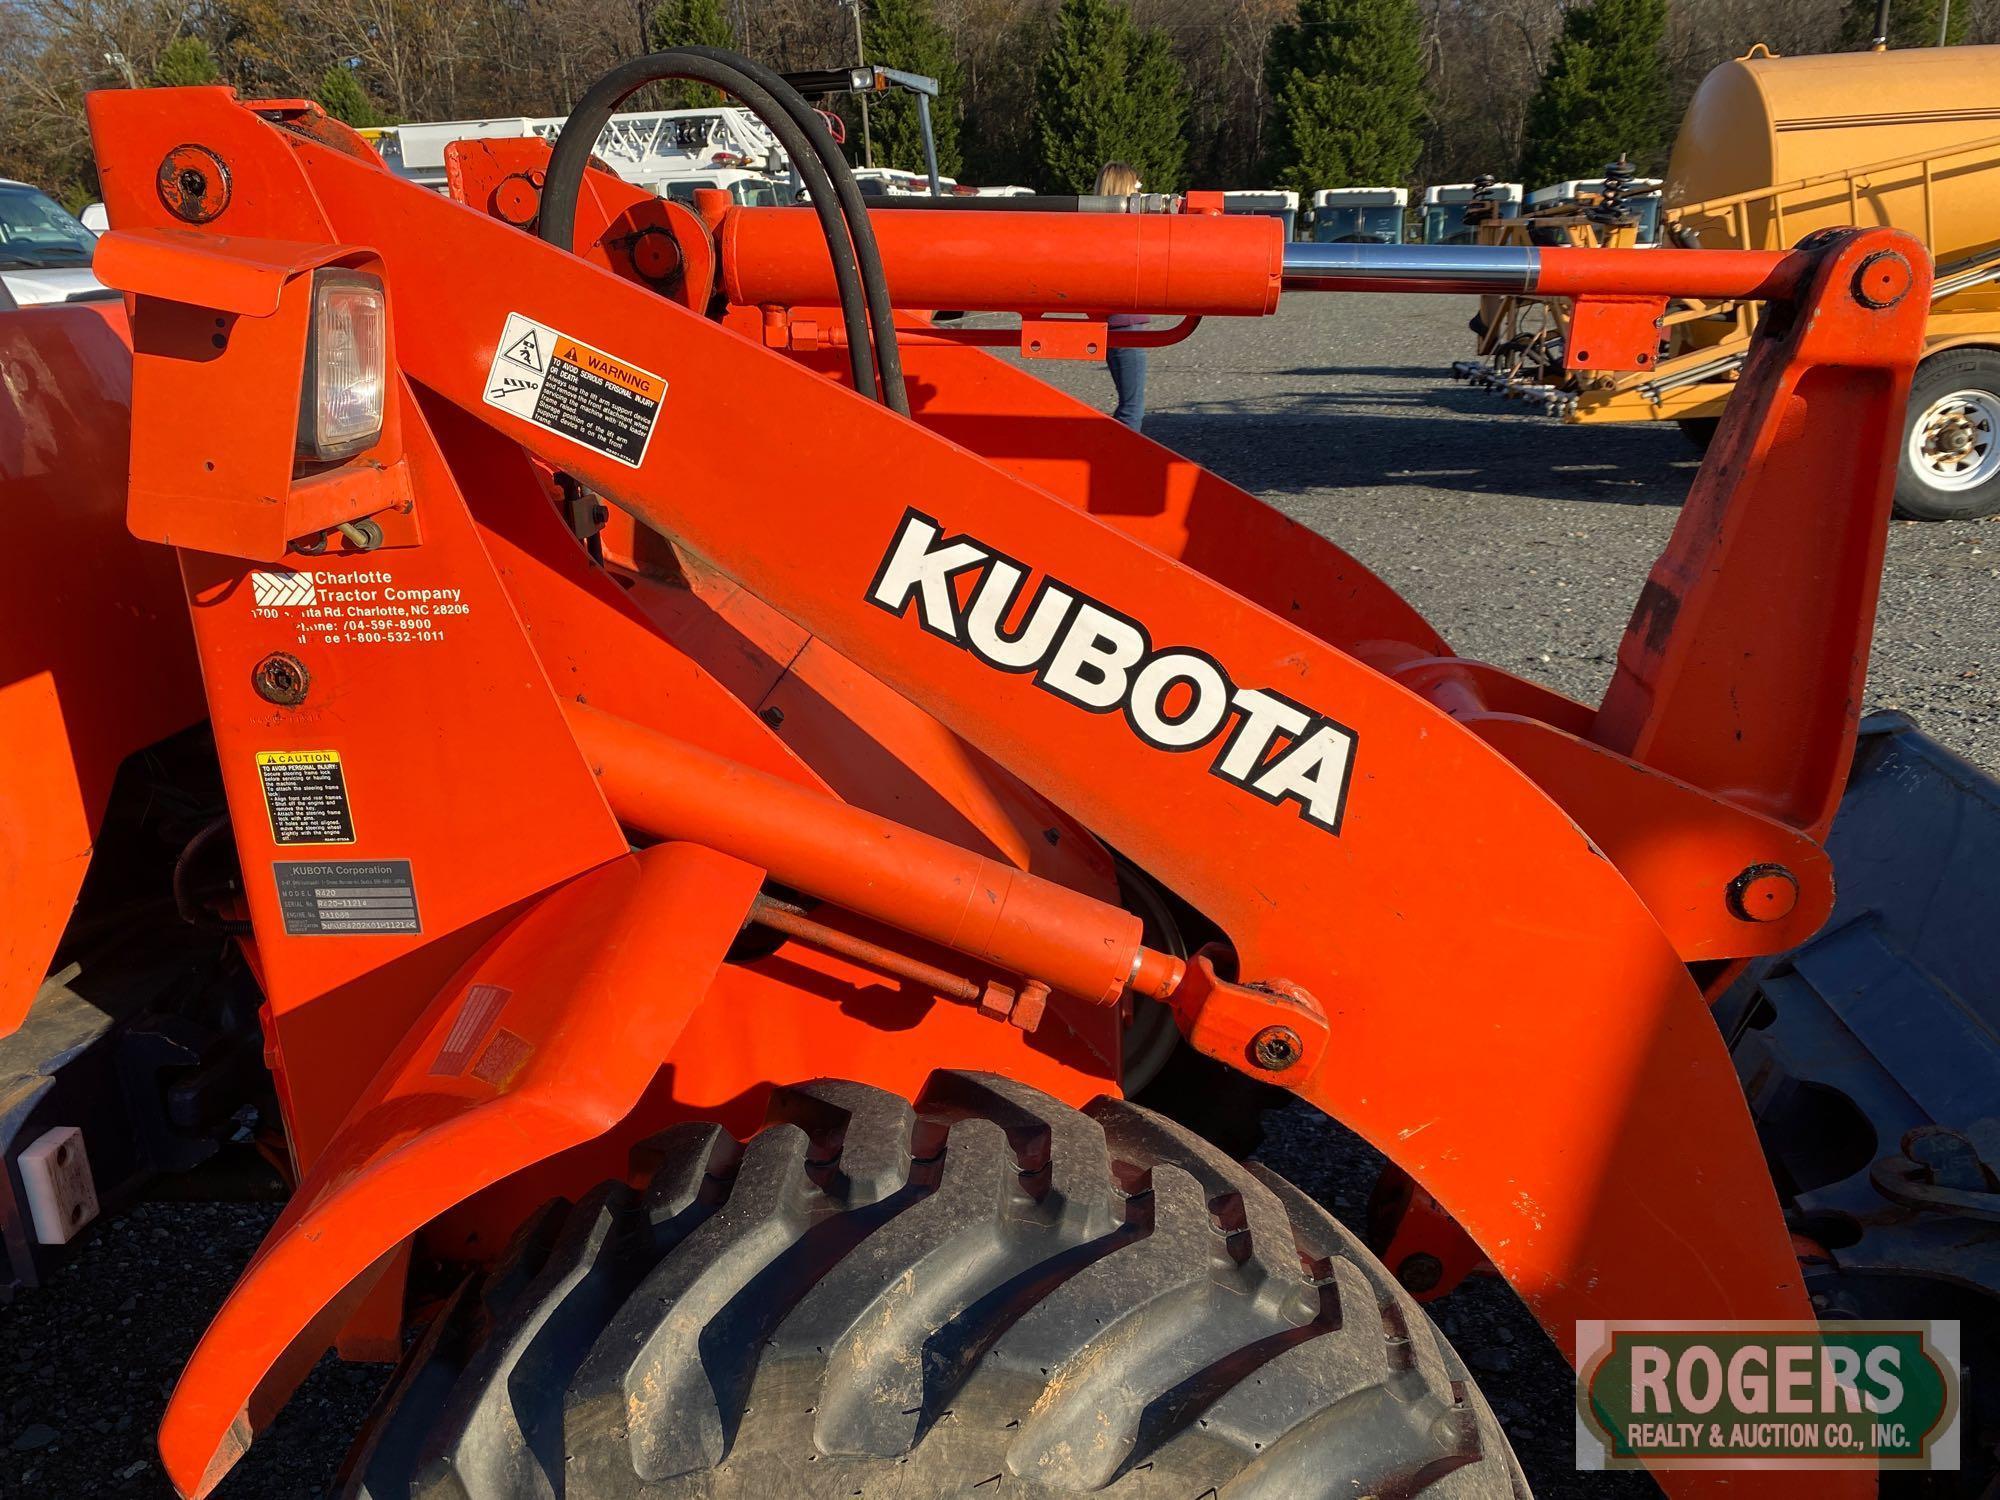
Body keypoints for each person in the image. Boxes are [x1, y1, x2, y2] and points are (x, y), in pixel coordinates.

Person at [1094, 160, 1149, 431]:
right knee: (1132, 407)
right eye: (1136, 185)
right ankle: (1122, 462)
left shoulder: (1101, 229)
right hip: (1126, 325)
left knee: (1130, 403)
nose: (1140, 190)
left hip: (1119, 323)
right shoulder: (1127, 231)